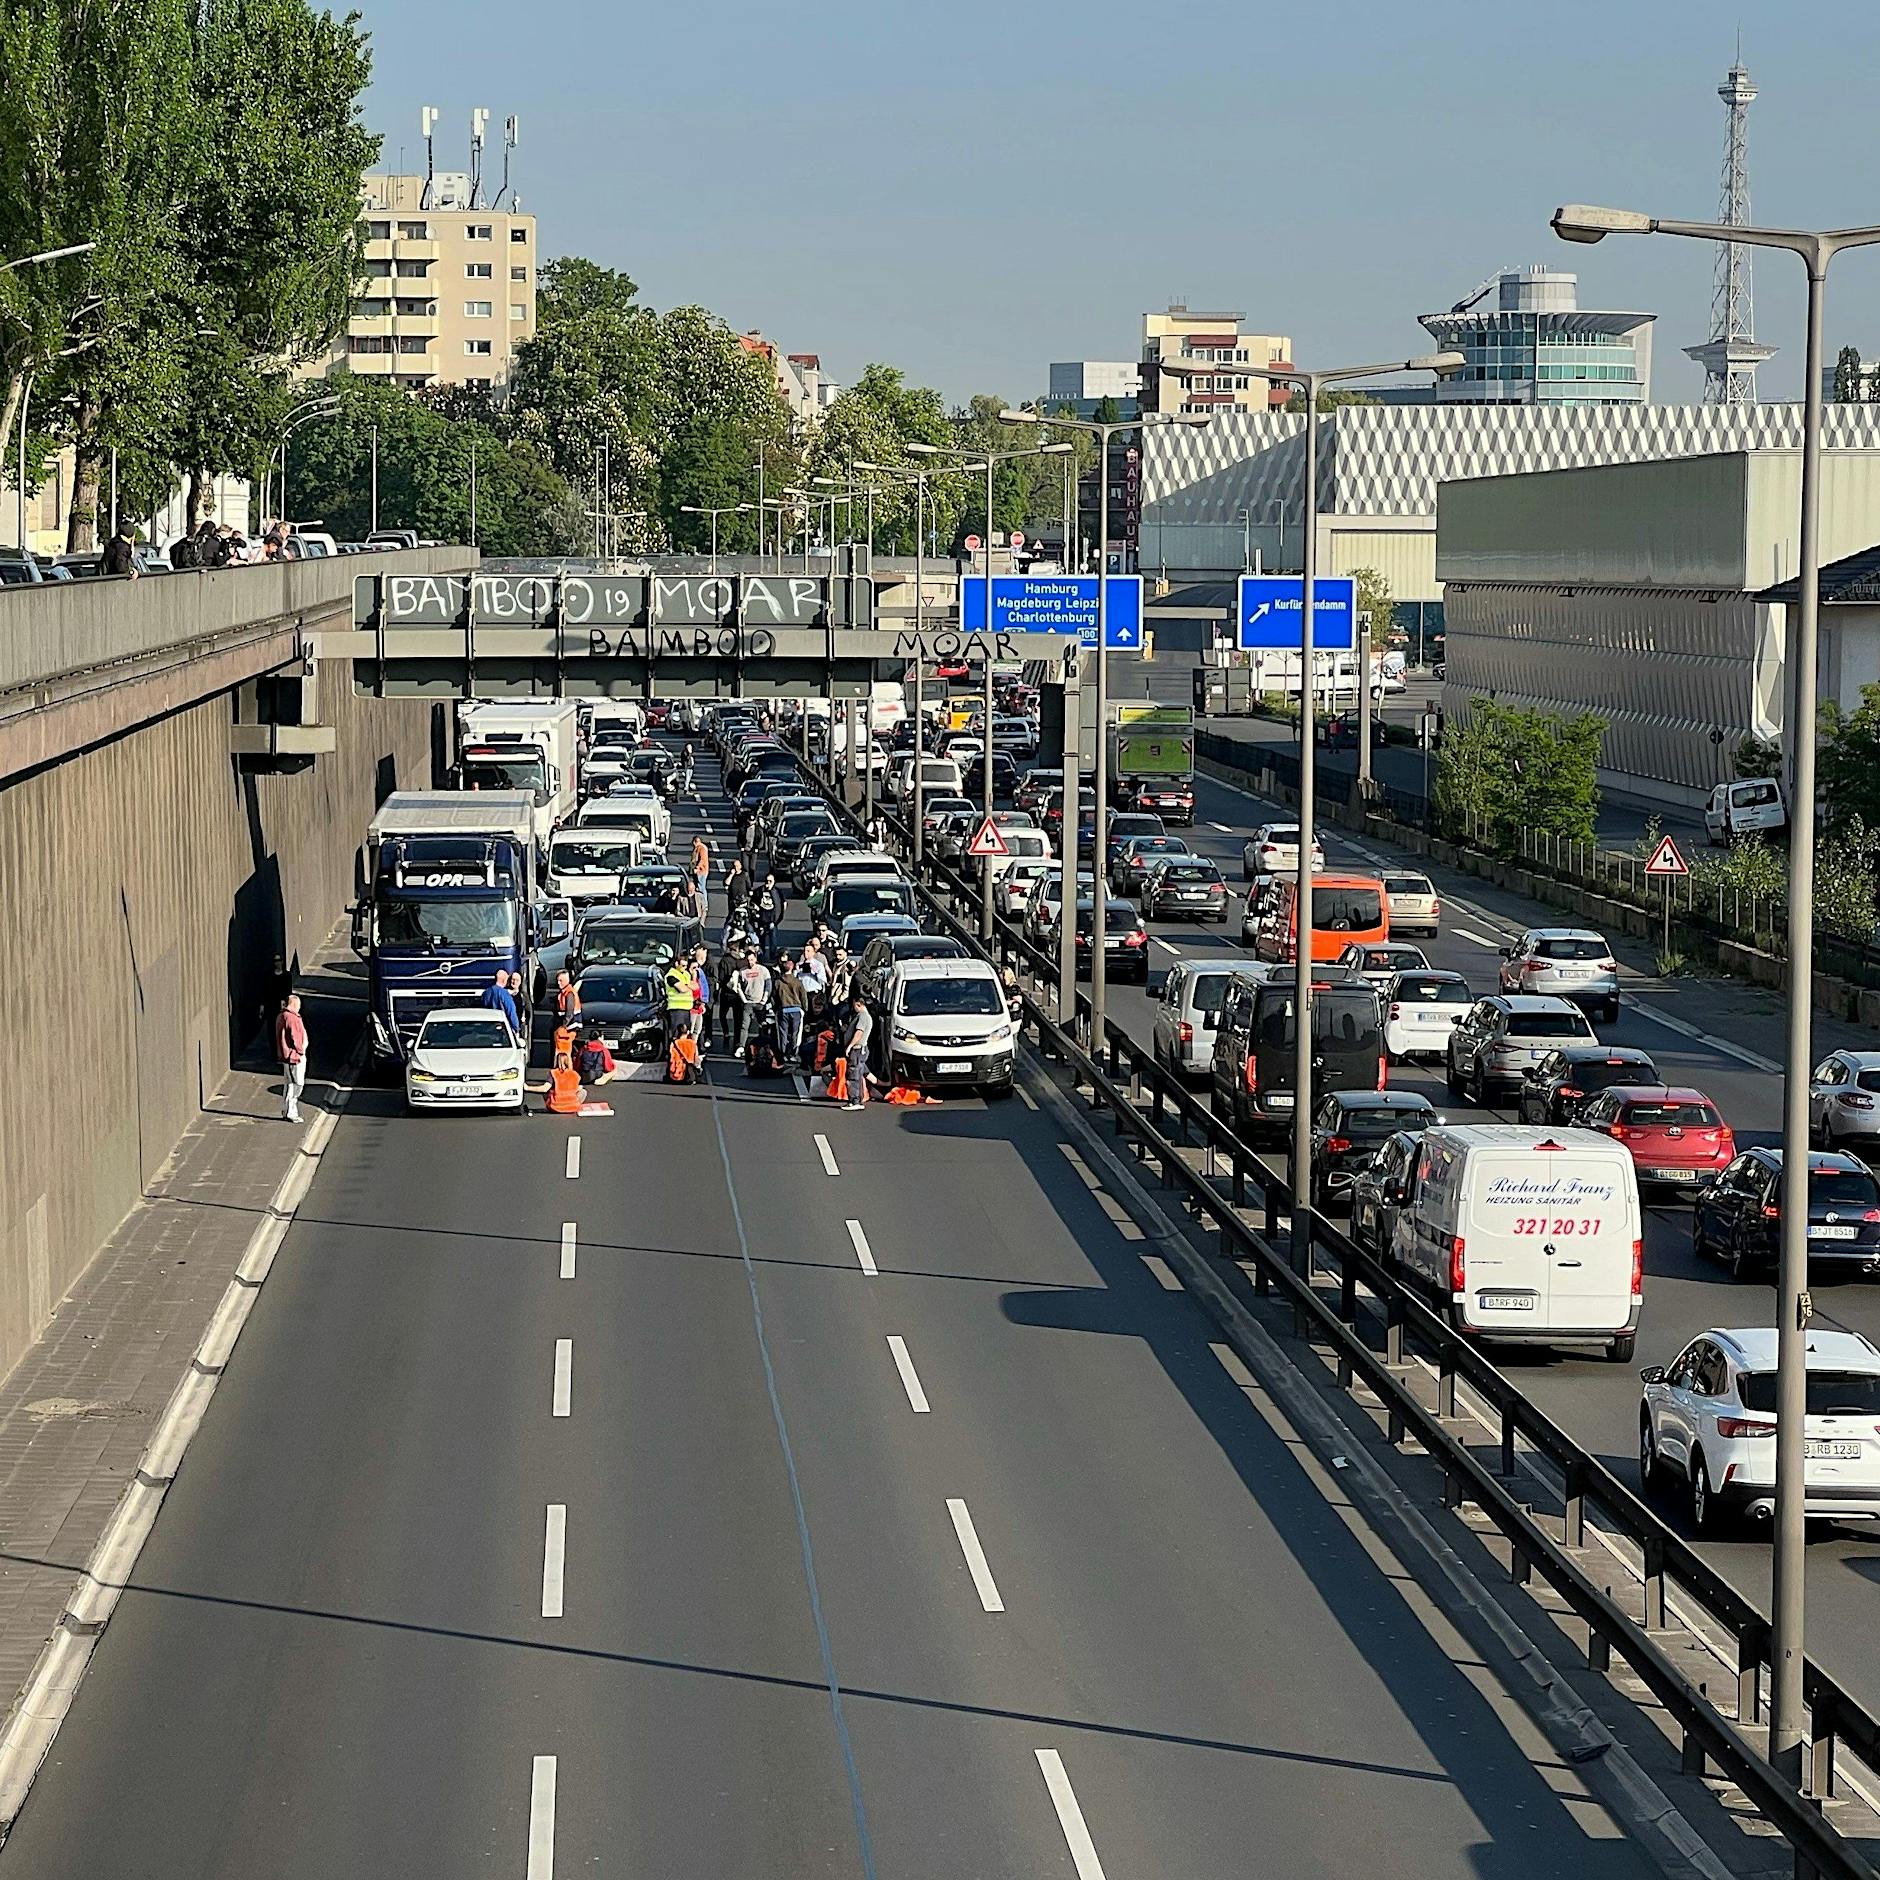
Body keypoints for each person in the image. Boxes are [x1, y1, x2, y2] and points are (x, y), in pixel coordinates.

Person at [275, 993, 308, 1124]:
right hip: (294, 1057)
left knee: (289, 1083)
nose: (299, 1008)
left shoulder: (282, 1016)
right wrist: (300, 1051)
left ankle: (287, 1110)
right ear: (294, 1004)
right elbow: (296, 1038)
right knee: (296, 1084)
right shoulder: (292, 1018)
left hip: (287, 1056)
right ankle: (291, 1112)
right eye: (298, 1005)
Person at [735, 948, 772, 1054]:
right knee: (744, 1025)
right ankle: (741, 1046)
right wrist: (744, 1000)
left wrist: (764, 1000)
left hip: (760, 1002)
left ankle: (764, 1045)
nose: (750, 962)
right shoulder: (742, 971)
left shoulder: (763, 970)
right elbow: (738, 987)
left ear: (755, 959)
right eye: (748, 960)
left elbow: (768, 985)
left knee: (763, 1025)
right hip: (748, 1003)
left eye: (751, 959)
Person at [840, 991, 873, 1110]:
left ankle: (854, 1100)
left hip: (857, 1049)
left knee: (853, 1074)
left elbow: (859, 1033)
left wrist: (850, 1046)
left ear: (859, 1004)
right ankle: (857, 1099)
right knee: (859, 1073)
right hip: (860, 1050)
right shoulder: (863, 1016)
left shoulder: (863, 1016)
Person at [773, 954, 807, 1064]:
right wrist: (805, 1009)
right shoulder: (798, 981)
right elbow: (803, 997)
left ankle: (782, 1054)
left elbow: (774, 997)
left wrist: (776, 1009)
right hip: (796, 1010)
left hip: (783, 1009)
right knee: (796, 1033)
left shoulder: (778, 982)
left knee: (782, 1033)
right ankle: (793, 1053)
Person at [662, 953, 695, 1052]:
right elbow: (682, 989)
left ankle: (683, 1055)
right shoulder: (671, 975)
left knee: (686, 1034)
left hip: (687, 1009)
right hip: (676, 1009)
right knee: (676, 1035)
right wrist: (688, 986)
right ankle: (674, 1055)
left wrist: (692, 978)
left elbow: (696, 986)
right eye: (683, 965)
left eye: (686, 966)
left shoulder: (686, 974)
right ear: (676, 964)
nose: (685, 968)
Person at [753, 873, 783, 961]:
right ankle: (761, 957)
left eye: (770, 881)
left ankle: (773, 957)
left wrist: (778, 918)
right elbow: (753, 902)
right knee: (761, 940)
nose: (768, 883)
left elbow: (783, 904)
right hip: (761, 920)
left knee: (773, 940)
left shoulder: (777, 891)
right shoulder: (759, 891)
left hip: (772, 921)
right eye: (767, 881)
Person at [798, 938, 830, 1022]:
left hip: (814, 993)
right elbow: (796, 979)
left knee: (815, 1015)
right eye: (804, 951)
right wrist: (796, 969)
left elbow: (823, 981)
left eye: (808, 951)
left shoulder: (818, 965)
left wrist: (815, 971)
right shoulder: (800, 965)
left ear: (813, 952)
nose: (806, 953)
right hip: (803, 992)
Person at [481, 972, 522, 1036]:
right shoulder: (505, 994)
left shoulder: (486, 992)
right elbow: (511, 1012)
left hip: (487, 1027)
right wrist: (516, 1029)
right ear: (504, 980)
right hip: (502, 1028)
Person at [546, 1049, 585, 1113]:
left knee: (549, 1091)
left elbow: (545, 1088)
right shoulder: (575, 1074)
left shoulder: (553, 1073)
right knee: (583, 1091)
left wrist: (528, 1087)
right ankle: (573, 1104)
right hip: (572, 1106)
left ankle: (550, 1105)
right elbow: (578, 1088)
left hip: (555, 1107)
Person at [555, 969, 582, 1033]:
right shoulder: (564, 992)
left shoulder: (569, 993)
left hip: (571, 1027)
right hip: (569, 1026)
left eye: (561, 981)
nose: (558, 983)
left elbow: (569, 1013)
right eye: (558, 980)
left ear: (567, 981)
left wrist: (563, 1025)